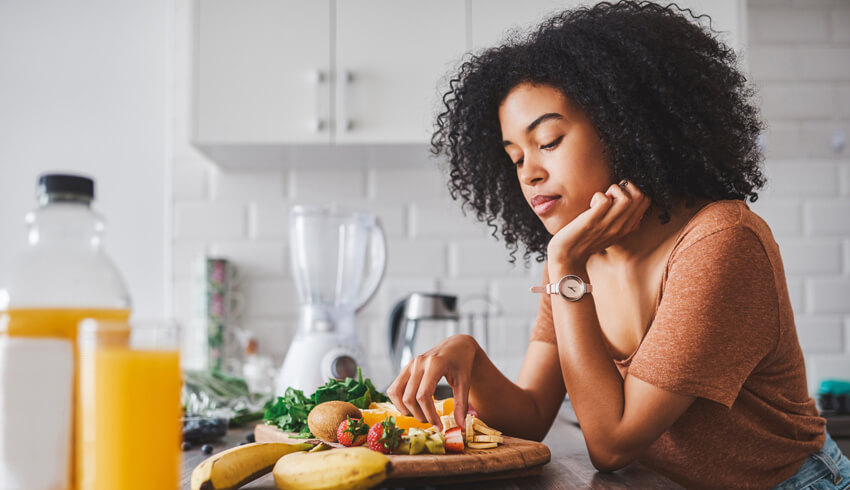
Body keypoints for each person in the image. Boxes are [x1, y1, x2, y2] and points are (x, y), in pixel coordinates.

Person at [385, 1, 850, 488]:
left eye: (548, 141)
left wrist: (565, 265)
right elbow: (530, 417)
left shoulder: (720, 242)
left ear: (623, 125)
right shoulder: (578, 254)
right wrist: (470, 356)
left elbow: (611, 444)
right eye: (515, 156)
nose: (529, 173)